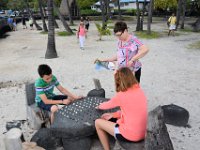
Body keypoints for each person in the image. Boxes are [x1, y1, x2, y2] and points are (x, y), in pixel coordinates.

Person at [95, 67, 147, 150]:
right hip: (143, 133)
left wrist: (98, 106)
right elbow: (131, 111)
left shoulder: (121, 95)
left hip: (130, 135)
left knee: (97, 123)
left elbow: (106, 105)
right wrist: (113, 115)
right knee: (112, 117)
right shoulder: (140, 91)